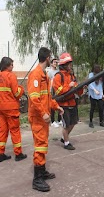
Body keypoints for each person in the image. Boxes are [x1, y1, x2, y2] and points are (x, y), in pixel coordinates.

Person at [28, 47, 64, 192]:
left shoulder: (44, 75)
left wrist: (56, 107)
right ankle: (37, 180)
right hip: (38, 118)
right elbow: (34, 97)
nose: (52, 60)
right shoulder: (36, 75)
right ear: (47, 58)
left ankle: (41, 172)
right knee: (40, 145)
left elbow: (47, 98)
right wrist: (44, 113)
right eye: (51, 57)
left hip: (42, 118)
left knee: (43, 144)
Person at [0, 57, 27, 163]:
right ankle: (18, 154)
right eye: (12, 65)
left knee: (2, 130)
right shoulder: (11, 76)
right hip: (11, 108)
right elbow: (16, 93)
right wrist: (21, 89)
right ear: (7, 65)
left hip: (1, 108)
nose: (13, 66)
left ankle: (0, 154)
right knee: (15, 130)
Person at [53, 52, 83, 150]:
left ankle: (63, 138)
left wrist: (80, 88)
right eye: (69, 63)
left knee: (73, 123)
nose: (70, 65)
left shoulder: (72, 75)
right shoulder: (58, 76)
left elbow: (77, 90)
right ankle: (66, 143)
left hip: (73, 103)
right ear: (64, 65)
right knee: (66, 125)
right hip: (63, 105)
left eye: (70, 63)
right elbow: (58, 90)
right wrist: (68, 86)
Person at [48, 58, 61, 127]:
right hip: (52, 90)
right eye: (54, 62)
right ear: (51, 63)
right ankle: (52, 121)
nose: (56, 63)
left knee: (59, 104)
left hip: (57, 90)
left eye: (56, 62)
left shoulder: (58, 71)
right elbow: (48, 81)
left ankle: (59, 120)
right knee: (53, 105)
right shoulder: (49, 72)